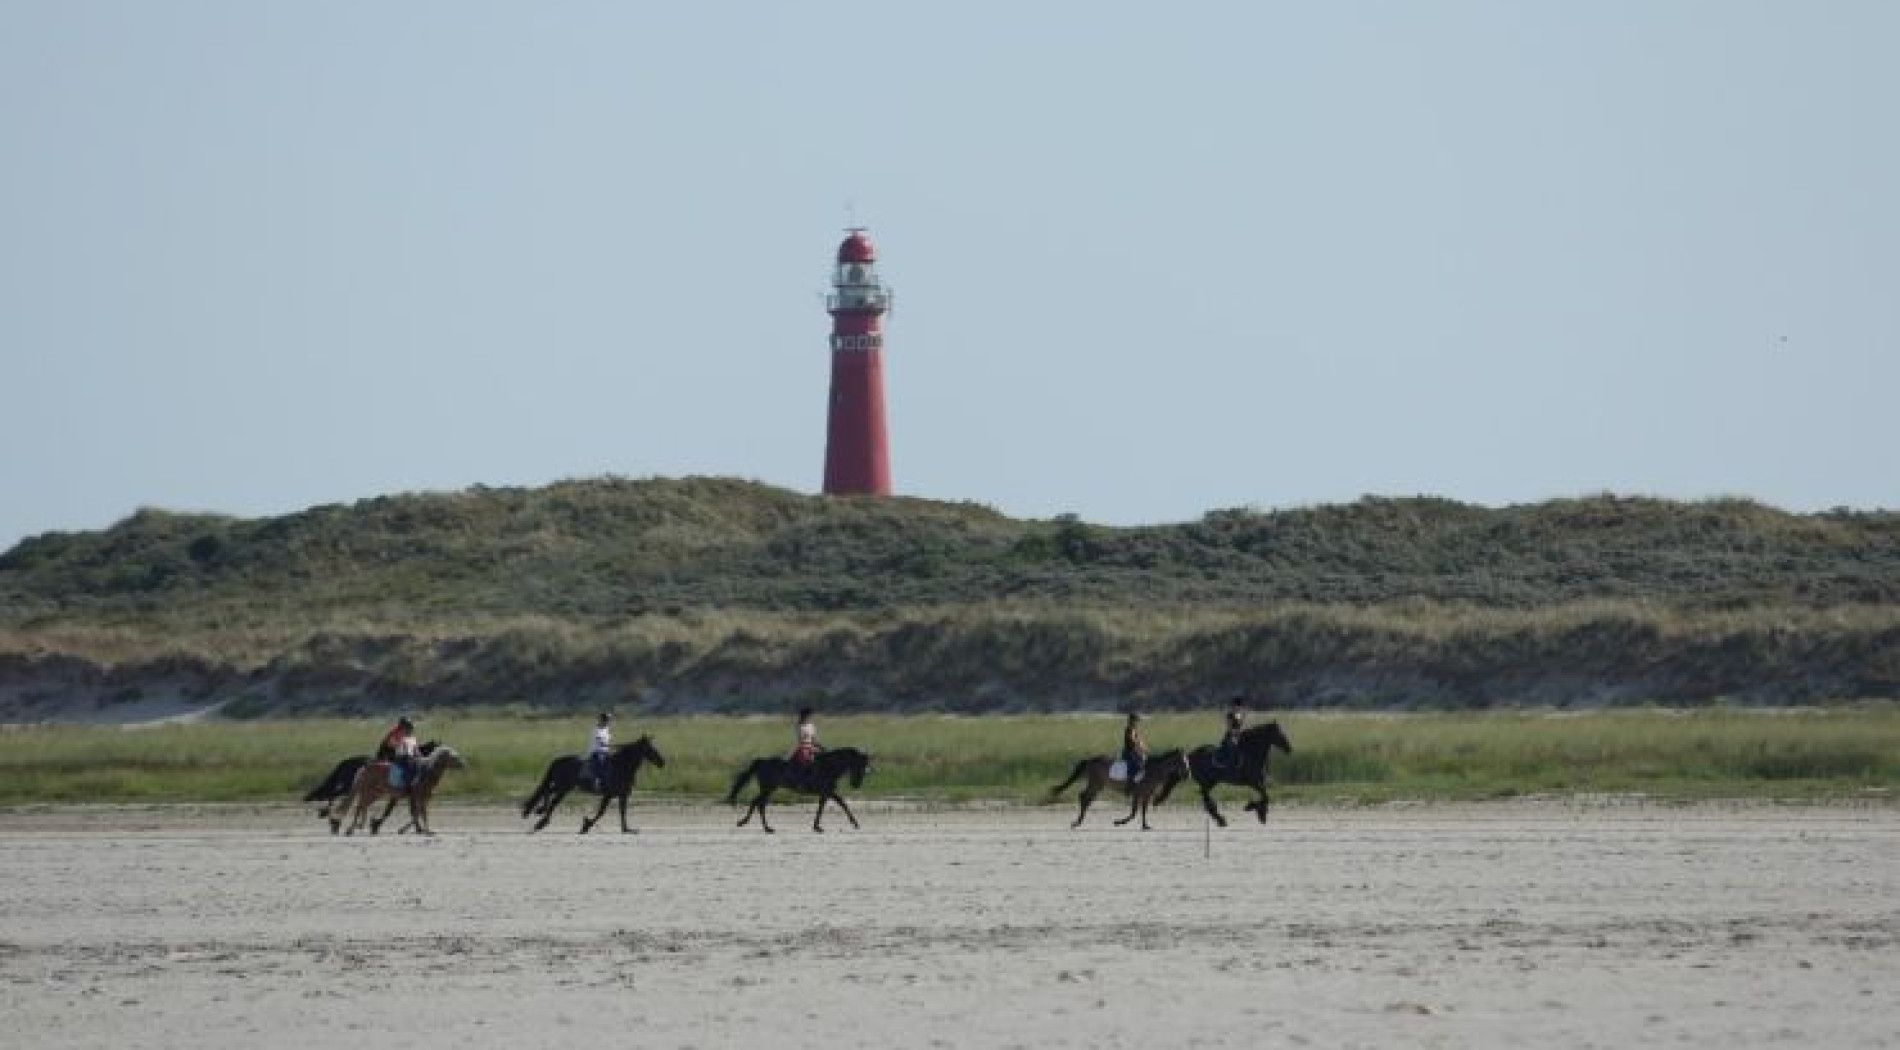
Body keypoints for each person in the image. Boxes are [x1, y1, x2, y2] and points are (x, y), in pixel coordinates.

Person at [377, 715, 421, 809]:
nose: (410, 729)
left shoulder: (405, 734)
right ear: (402, 726)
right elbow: (392, 745)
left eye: (410, 727)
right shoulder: (395, 732)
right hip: (387, 753)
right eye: (408, 727)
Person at [1216, 696, 1246, 769]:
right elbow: (1230, 727)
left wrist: (1242, 732)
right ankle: (1231, 766)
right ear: (1234, 706)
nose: (1238, 708)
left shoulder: (1241, 715)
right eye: (1236, 706)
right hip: (1231, 735)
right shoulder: (1229, 715)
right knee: (1233, 745)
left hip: (1239, 735)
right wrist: (1236, 734)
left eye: (1239, 707)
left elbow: (1242, 726)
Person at [586, 712, 613, 790]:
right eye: (606, 720)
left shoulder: (606, 730)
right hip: (596, 752)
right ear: (601, 720)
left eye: (608, 720)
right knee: (600, 764)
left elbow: (607, 743)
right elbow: (601, 744)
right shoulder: (596, 731)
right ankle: (597, 782)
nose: (608, 722)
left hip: (605, 752)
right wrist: (613, 746)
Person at [1120, 712, 1147, 786]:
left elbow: (1138, 741)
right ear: (1132, 721)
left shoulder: (1134, 730)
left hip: (1134, 752)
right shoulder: (1130, 729)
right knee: (1135, 765)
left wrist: (1142, 747)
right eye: (1136, 721)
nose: (1138, 723)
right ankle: (1130, 782)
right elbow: (1132, 741)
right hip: (1129, 753)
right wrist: (1140, 745)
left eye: (1138, 721)